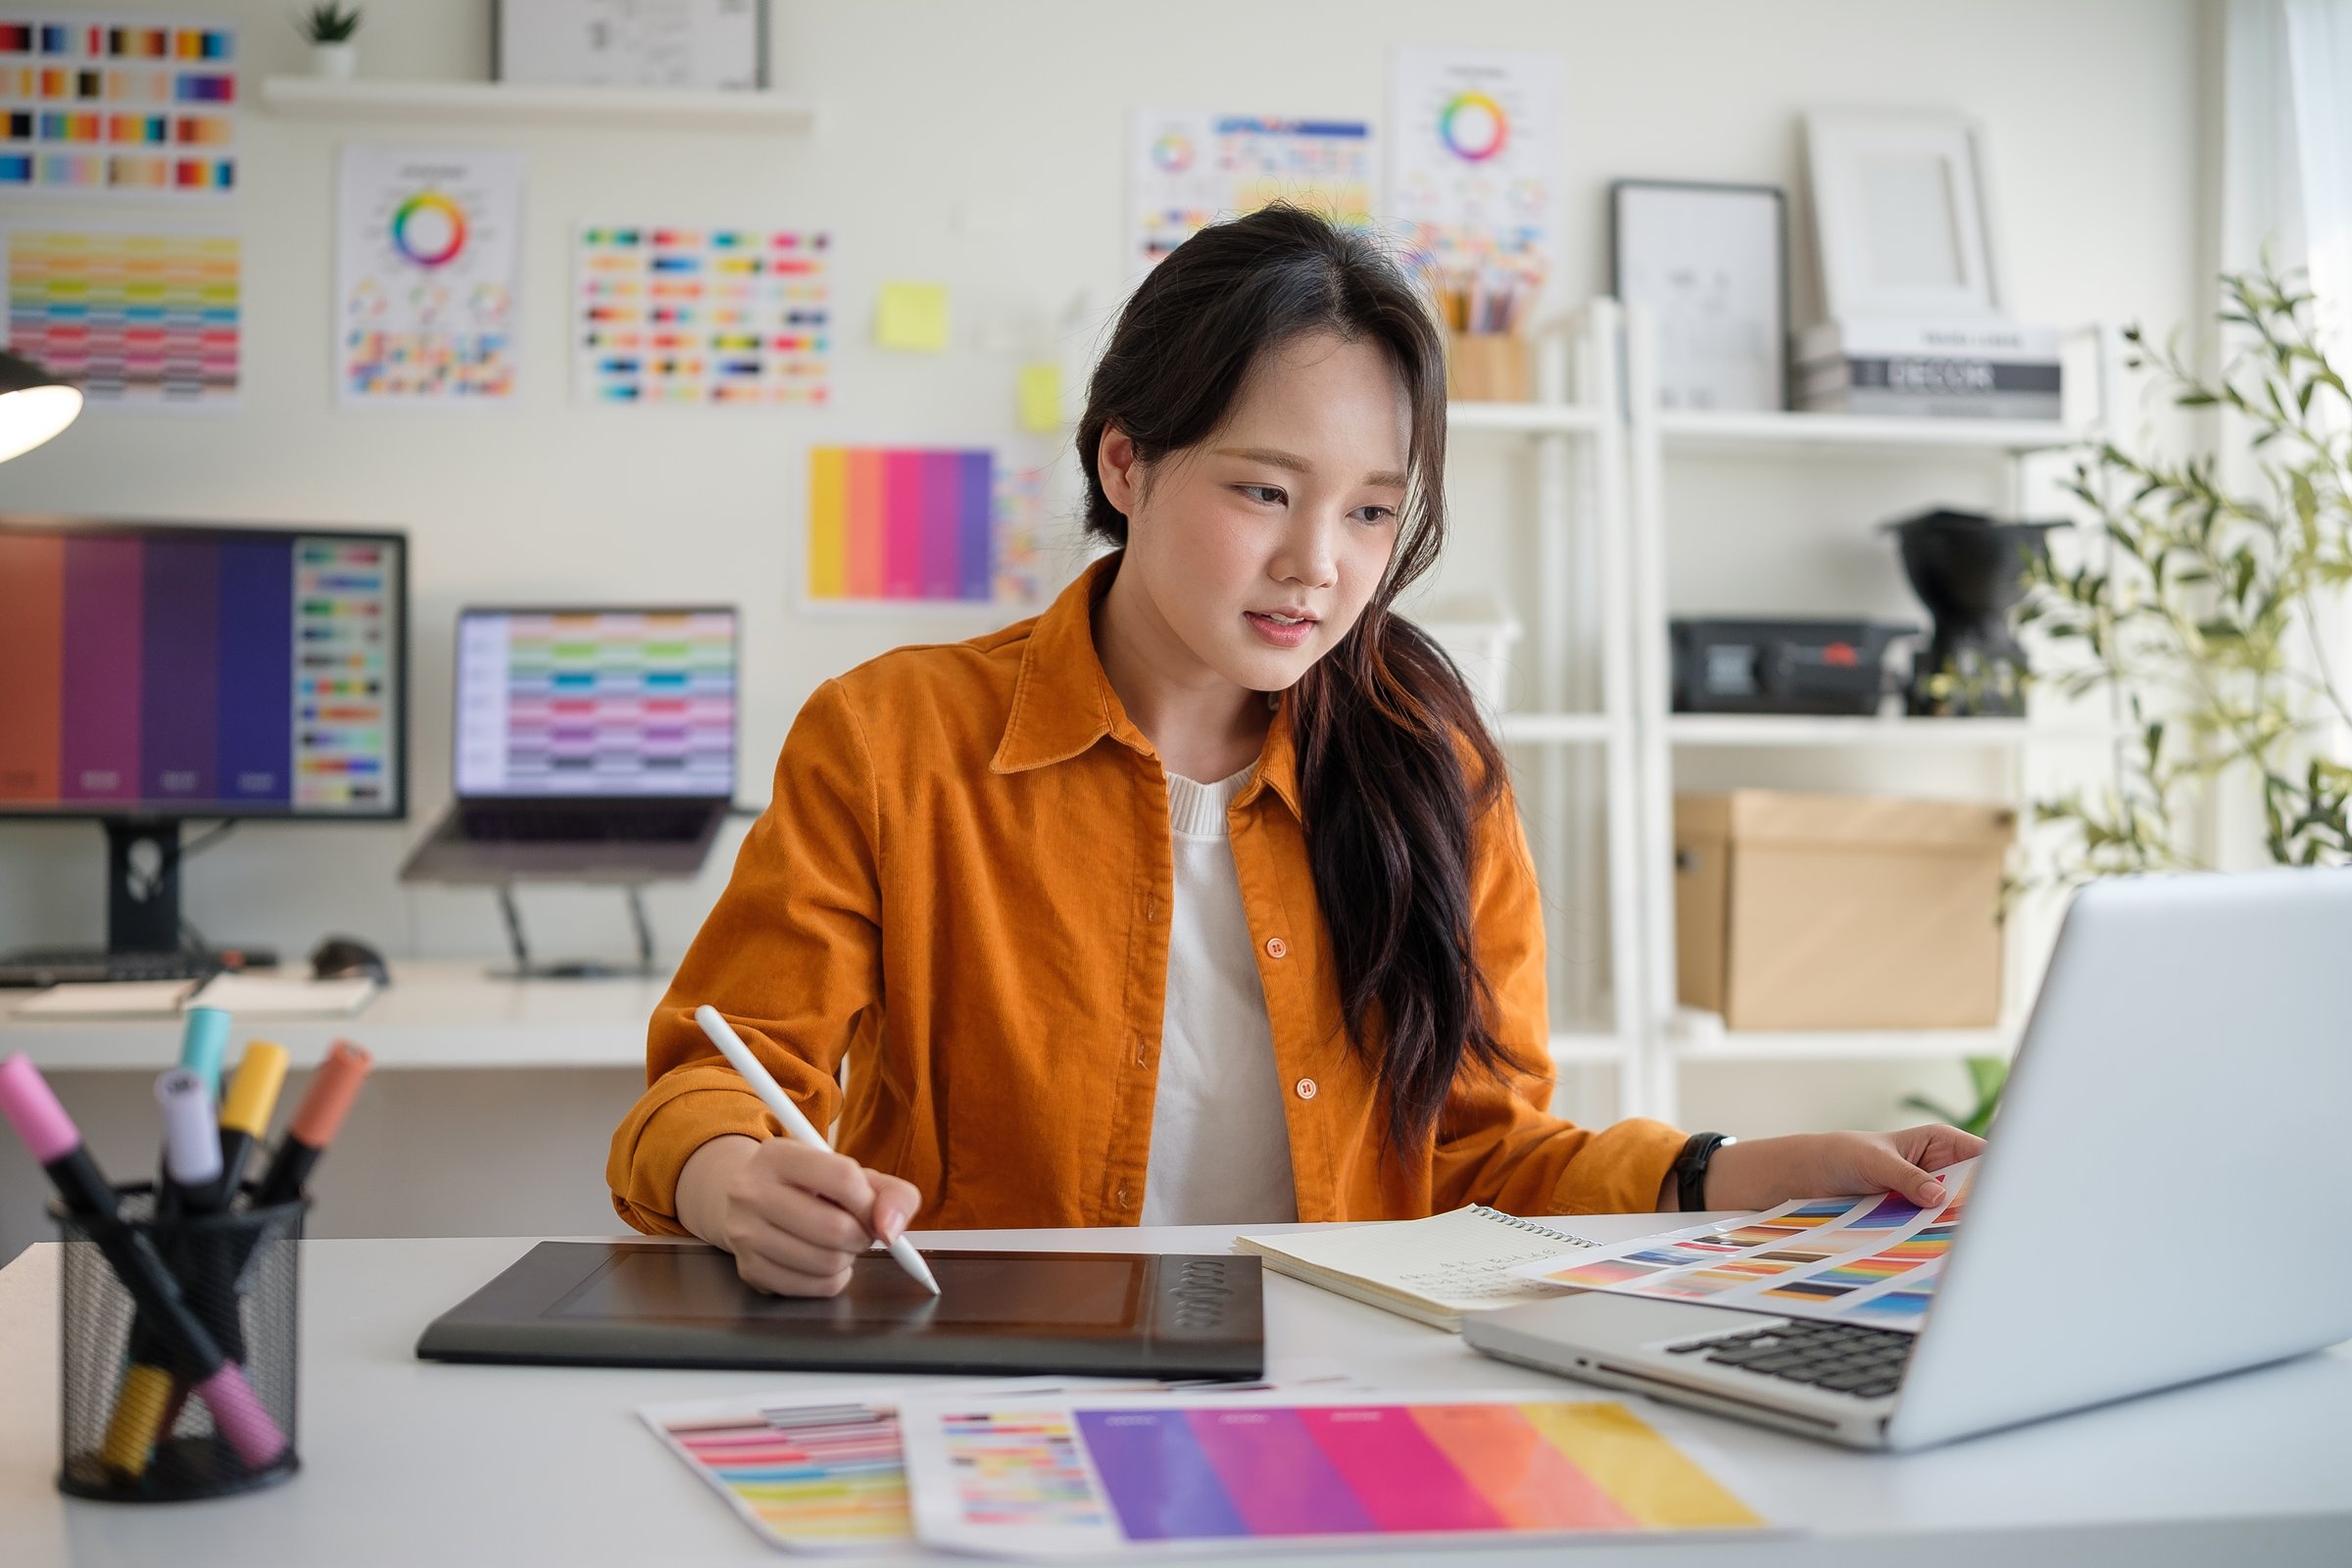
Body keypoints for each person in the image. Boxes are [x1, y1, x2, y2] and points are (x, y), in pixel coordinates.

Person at [607, 205, 1983, 1297]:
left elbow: (1488, 1157)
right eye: (1264, 490)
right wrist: (730, 1176)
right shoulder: (891, 738)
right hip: (1002, 1372)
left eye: (1373, 512)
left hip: (1344, 1375)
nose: (1317, 567)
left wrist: (1746, 1167)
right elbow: (724, 1071)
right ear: (1127, 465)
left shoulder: (1430, 763)